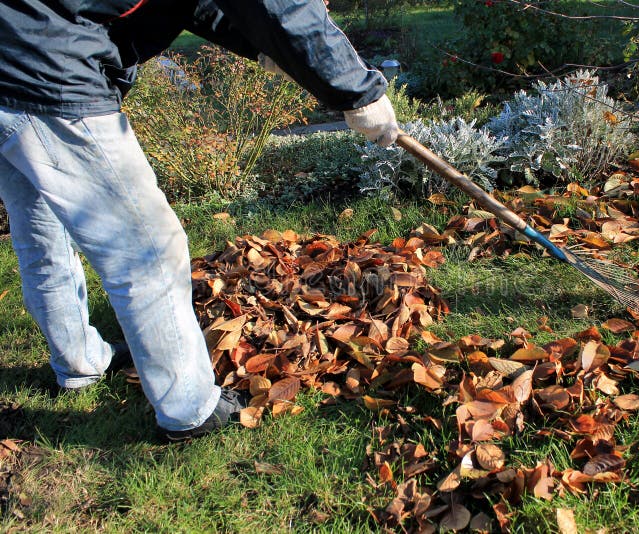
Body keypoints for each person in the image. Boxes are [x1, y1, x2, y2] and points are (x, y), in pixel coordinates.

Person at [0, 0, 400, 441]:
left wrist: (265, 49)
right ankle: (190, 410)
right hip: (43, 69)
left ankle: (79, 363)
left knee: (41, 234)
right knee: (147, 249)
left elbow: (196, 3)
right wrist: (357, 91)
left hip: (14, 50)